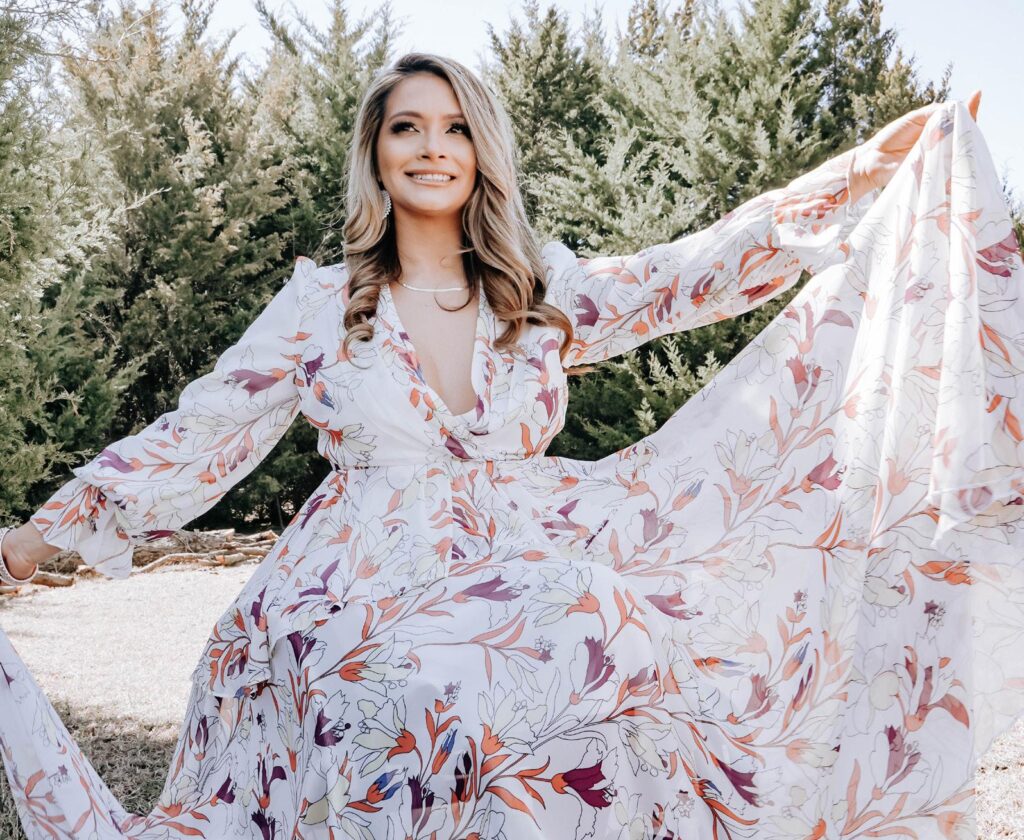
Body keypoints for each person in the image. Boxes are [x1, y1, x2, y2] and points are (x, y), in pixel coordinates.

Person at [0, 50, 1006, 839]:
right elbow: (204, 431)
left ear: (479, 151)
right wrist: (35, 540)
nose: (432, 147)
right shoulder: (318, 306)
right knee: (404, 708)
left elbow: (683, 274)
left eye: (454, 128)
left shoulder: (533, 292)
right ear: (376, 152)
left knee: (617, 645)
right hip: (354, 578)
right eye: (407, 128)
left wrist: (861, 176)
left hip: (521, 558)